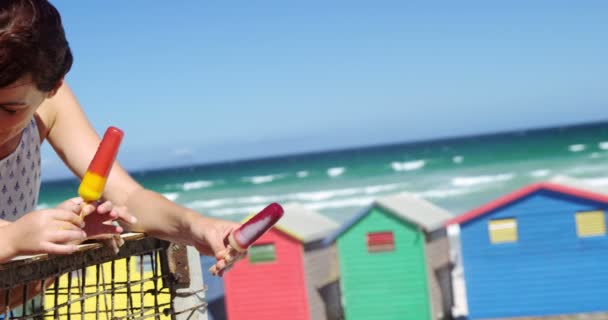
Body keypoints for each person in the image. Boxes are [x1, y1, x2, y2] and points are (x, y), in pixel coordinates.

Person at [0, 0, 244, 272]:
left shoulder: (51, 108)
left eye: (9, 108)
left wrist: (198, 226)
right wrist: (12, 239)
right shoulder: (25, 93)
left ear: (52, 88)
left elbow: (127, 198)